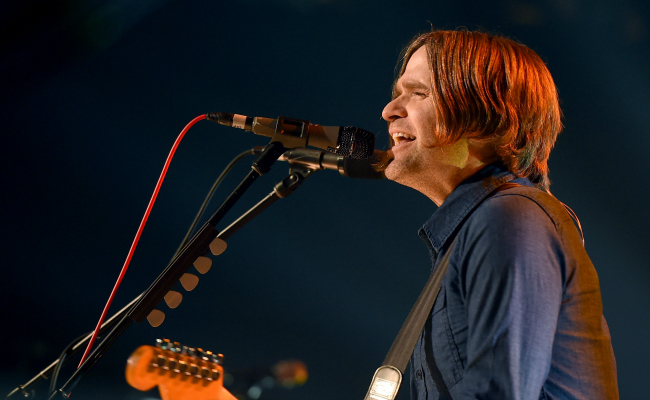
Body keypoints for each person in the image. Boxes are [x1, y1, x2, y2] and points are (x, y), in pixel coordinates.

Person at [379, 30, 618, 399]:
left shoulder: (511, 216)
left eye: (419, 93)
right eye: (398, 93)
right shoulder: (474, 228)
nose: (390, 110)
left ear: (487, 114)